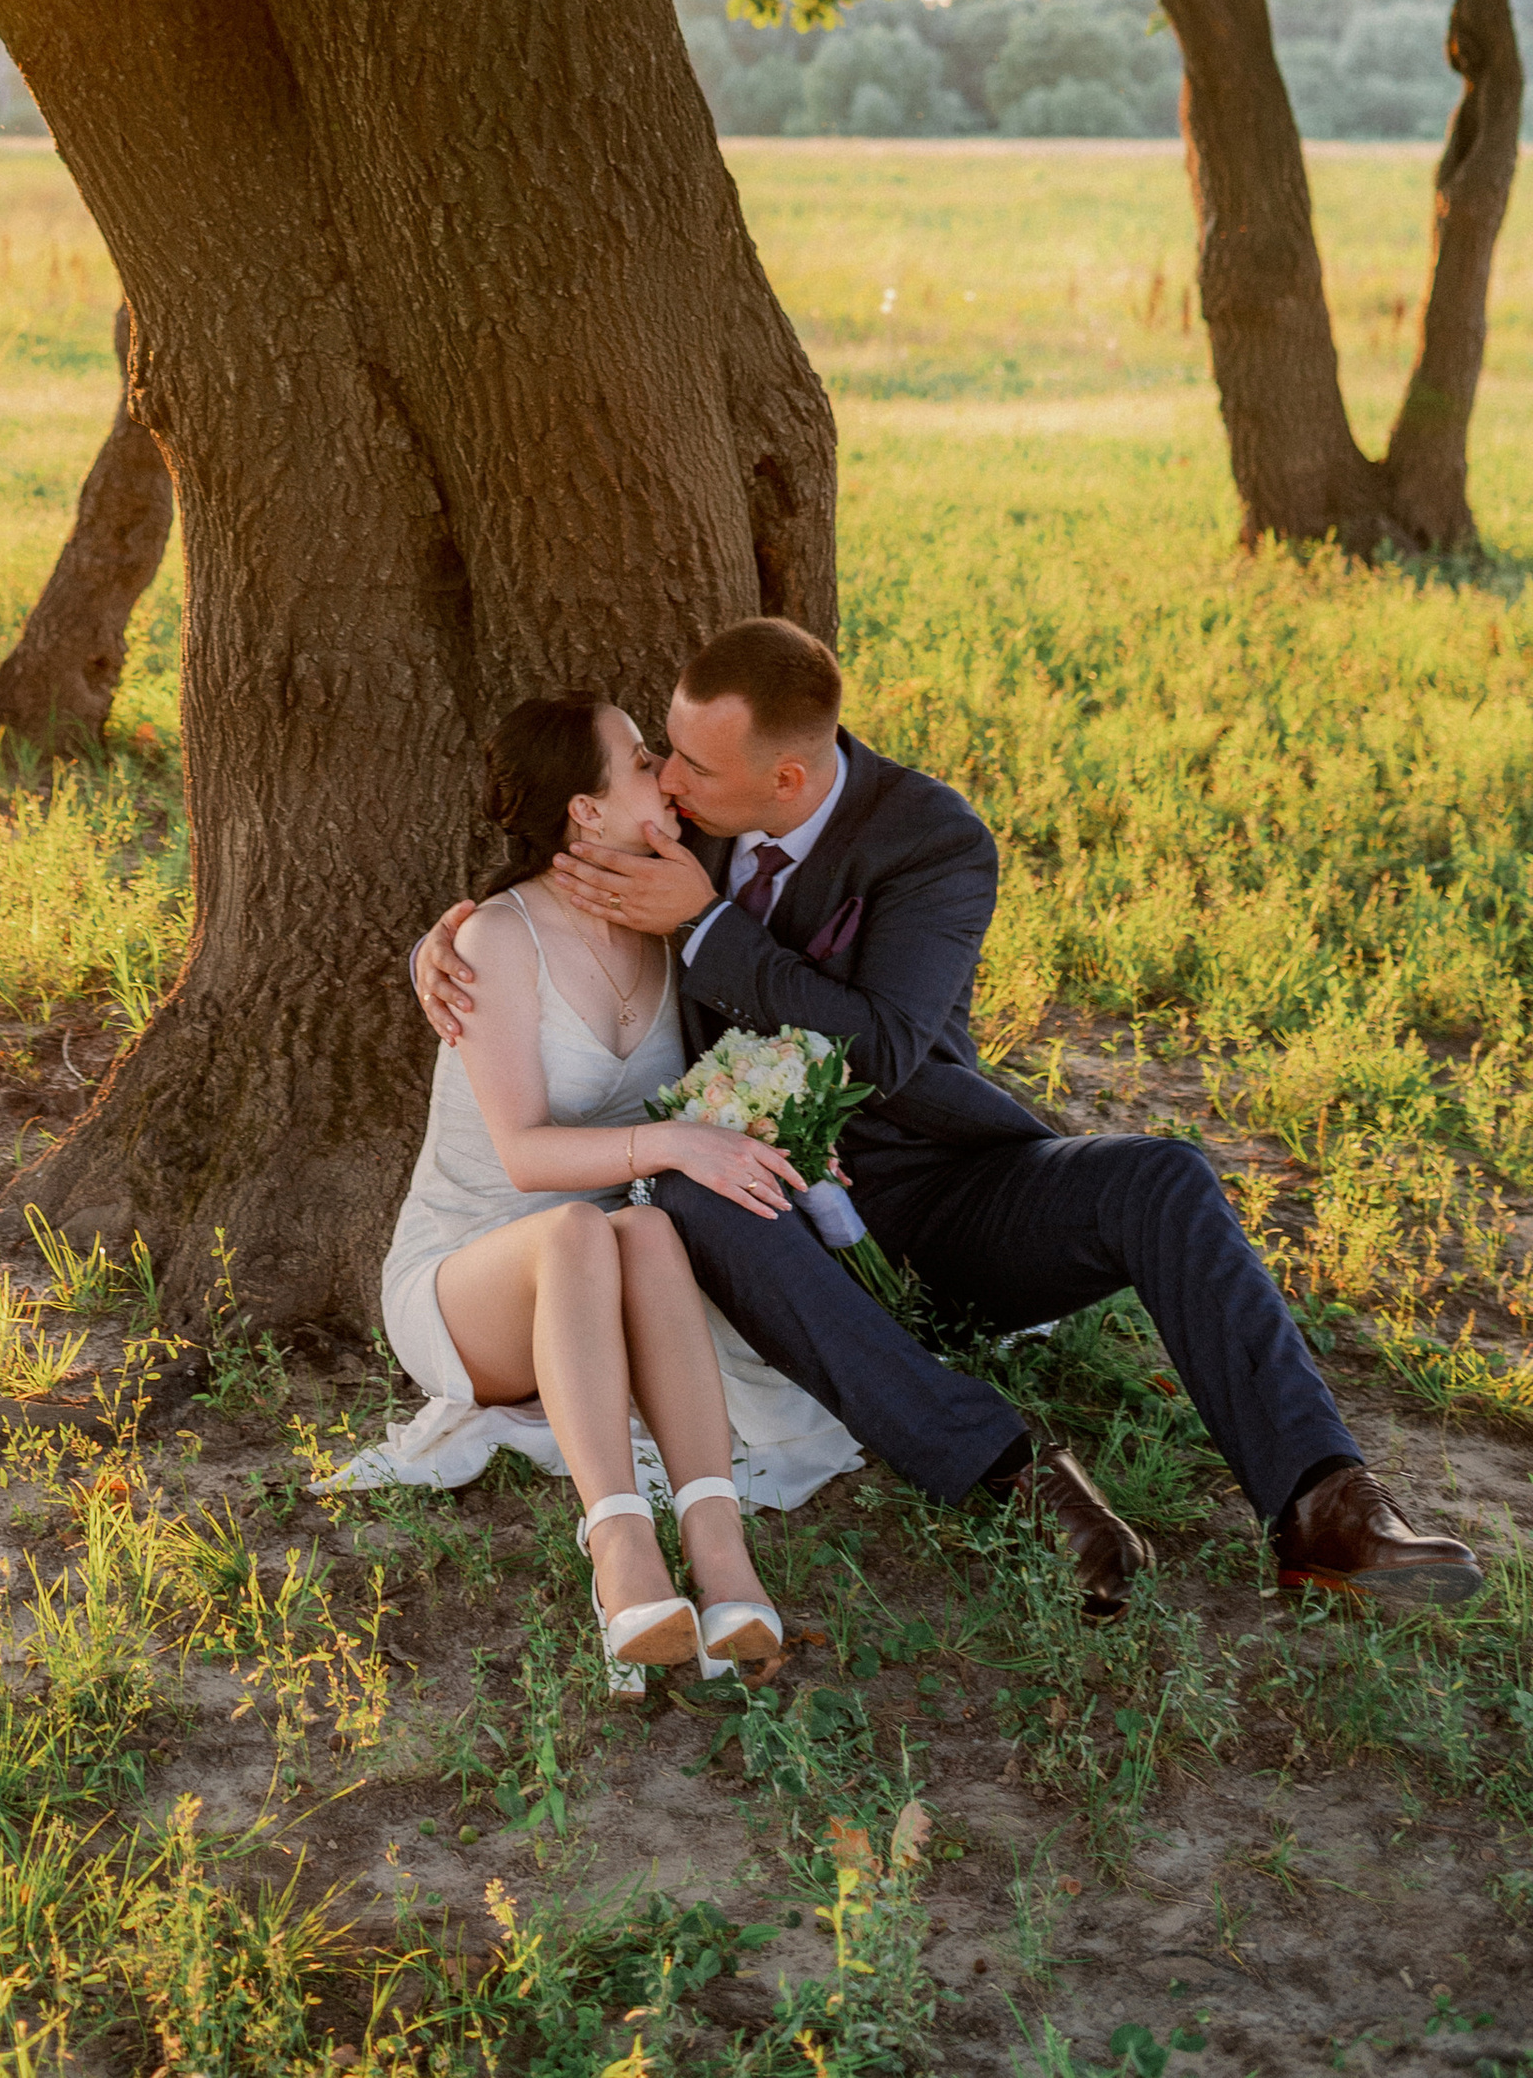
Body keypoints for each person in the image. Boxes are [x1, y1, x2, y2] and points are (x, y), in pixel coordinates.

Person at [413, 617, 1481, 1620]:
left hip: (938, 1188)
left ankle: (1322, 1504)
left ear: (785, 778)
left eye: (693, 766)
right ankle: (1015, 1479)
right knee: (694, 1194)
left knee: (1163, 1174)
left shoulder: (928, 839)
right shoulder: (676, 821)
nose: (673, 783)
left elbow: (882, 1046)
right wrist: (444, 947)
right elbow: (547, 905)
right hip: (764, 1215)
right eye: (664, 756)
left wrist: (706, 926)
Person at [382, 686, 832, 1687]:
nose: (665, 774)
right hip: (469, 1276)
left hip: (612, 1267)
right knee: (580, 1231)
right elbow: (525, 1158)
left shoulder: (669, 912)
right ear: (583, 810)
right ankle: (620, 1549)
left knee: (648, 1232)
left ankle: (719, 1552)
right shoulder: (499, 939)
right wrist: (675, 1140)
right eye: (639, 760)